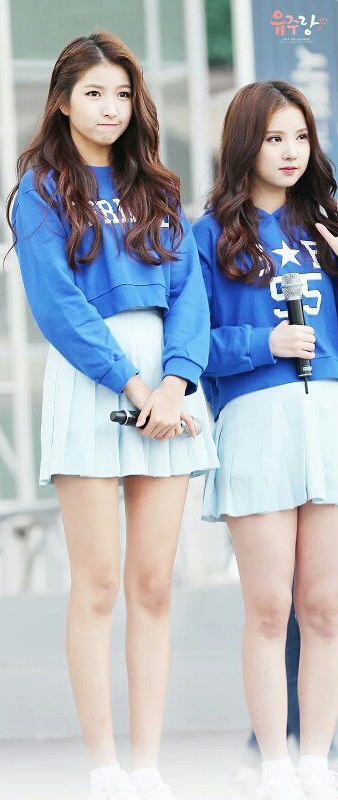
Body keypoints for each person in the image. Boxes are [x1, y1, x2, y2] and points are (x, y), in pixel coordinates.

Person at [7, 30, 218, 800]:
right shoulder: (40, 188)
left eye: (123, 94)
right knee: (96, 585)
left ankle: (148, 765)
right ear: (62, 102)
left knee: (153, 585)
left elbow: (190, 294)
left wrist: (176, 383)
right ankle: (104, 769)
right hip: (95, 385)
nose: (110, 108)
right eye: (94, 93)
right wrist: (133, 386)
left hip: (168, 391)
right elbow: (58, 305)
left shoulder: (155, 187)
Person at [192, 81, 338, 800]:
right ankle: (274, 764)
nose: (290, 152)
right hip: (255, 421)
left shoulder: (328, 229)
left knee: (325, 607)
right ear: (245, 142)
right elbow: (189, 346)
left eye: (300, 137)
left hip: (328, 419)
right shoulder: (208, 235)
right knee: (269, 607)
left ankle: (317, 763)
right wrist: (263, 343)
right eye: (275, 137)